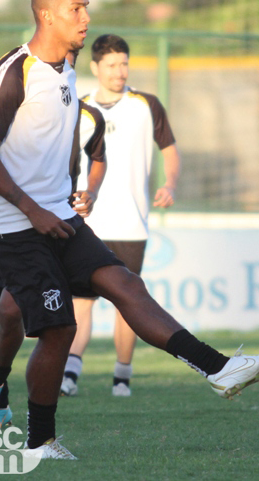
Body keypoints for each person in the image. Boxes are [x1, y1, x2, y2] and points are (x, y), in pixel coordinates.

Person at [0, 0, 259, 460]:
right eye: (76, 9)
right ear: (47, 15)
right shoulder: (13, 72)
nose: (86, 18)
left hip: (58, 218)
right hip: (11, 226)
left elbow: (78, 153)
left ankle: (220, 370)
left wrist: (73, 195)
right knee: (57, 328)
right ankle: (38, 441)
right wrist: (31, 207)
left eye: (86, 8)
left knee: (127, 285)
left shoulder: (67, 69)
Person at [0, 49, 107, 429]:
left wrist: (90, 191)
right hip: (7, 226)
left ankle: (8, 404)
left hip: (48, 230)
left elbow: (98, 159)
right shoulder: (20, 97)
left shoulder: (88, 115)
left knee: (13, 312)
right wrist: (16, 183)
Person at [60, 34, 180, 398]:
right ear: (95, 67)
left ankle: (122, 376)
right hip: (86, 221)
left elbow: (170, 150)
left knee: (127, 303)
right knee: (80, 301)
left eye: (124, 63)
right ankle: (70, 372)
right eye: (112, 64)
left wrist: (170, 183)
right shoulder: (76, 106)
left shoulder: (146, 105)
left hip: (130, 222)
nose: (119, 71)